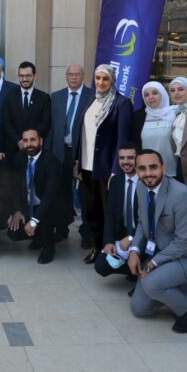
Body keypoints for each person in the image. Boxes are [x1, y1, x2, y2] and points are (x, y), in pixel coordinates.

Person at [127, 149, 187, 333]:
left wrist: (152, 263)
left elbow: (184, 241)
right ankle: (180, 287)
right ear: (137, 170)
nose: (148, 173)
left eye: (153, 167)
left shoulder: (181, 195)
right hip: (164, 253)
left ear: (164, 168)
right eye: (142, 168)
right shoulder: (142, 187)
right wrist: (134, 250)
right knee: (139, 309)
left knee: (151, 284)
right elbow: (143, 222)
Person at [73, 64, 134, 263]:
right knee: (91, 211)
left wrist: (116, 170)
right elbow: (83, 133)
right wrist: (78, 161)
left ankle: (112, 251)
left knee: (109, 212)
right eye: (98, 78)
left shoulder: (121, 104)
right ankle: (97, 247)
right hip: (86, 167)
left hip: (107, 169)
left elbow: (123, 140)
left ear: (113, 80)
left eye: (105, 79)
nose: (100, 82)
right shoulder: (91, 99)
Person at [46, 64, 92, 240]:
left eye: (77, 74)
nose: (73, 77)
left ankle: (86, 232)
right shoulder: (56, 96)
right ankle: (62, 227)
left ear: (83, 76)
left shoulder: (92, 96)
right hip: (60, 151)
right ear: (66, 76)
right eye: (70, 74)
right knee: (60, 191)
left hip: (82, 152)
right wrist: (49, 151)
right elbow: (51, 126)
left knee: (85, 193)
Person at [7, 129, 62, 264]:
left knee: (44, 216)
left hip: (47, 205)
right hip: (27, 205)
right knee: (14, 233)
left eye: (33, 140)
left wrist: (34, 221)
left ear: (41, 141)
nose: (29, 144)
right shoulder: (19, 158)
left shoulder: (51, 161)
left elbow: (50, 195)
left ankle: (49, 248)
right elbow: (14, 188)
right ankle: (38, 237)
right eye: (25, 140)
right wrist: (17, 210)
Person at [95, 143, 139, 280]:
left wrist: (131, 237)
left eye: (130, 158)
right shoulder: (115, 181)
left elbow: (150, 219)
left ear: (138, 159)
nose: (126, 162)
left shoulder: (146, 181)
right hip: (123, 237)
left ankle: (140, 273)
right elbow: (110, 215)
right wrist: (109, 242)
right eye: (122, 158)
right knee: (101, 266)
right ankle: (133, 271)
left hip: (143, 236)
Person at [2, 61, 51, 159]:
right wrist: (18, 140)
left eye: (28, 76)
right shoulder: (9, 96)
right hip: (14, 148)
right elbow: (6, 122)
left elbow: (45, 122)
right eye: (21, 76)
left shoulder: (44, 97)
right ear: (18, 76)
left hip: (35, 148)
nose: (24, 79)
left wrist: (30, 140)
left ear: (35, 76)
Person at [133, 82, 177, 179]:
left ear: (163, 94)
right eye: (146, 95)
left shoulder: (176, 113)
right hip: (147, 173)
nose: (151, 97)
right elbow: (135, 144)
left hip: (173, 172)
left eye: (155, 93)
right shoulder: (138, 116)